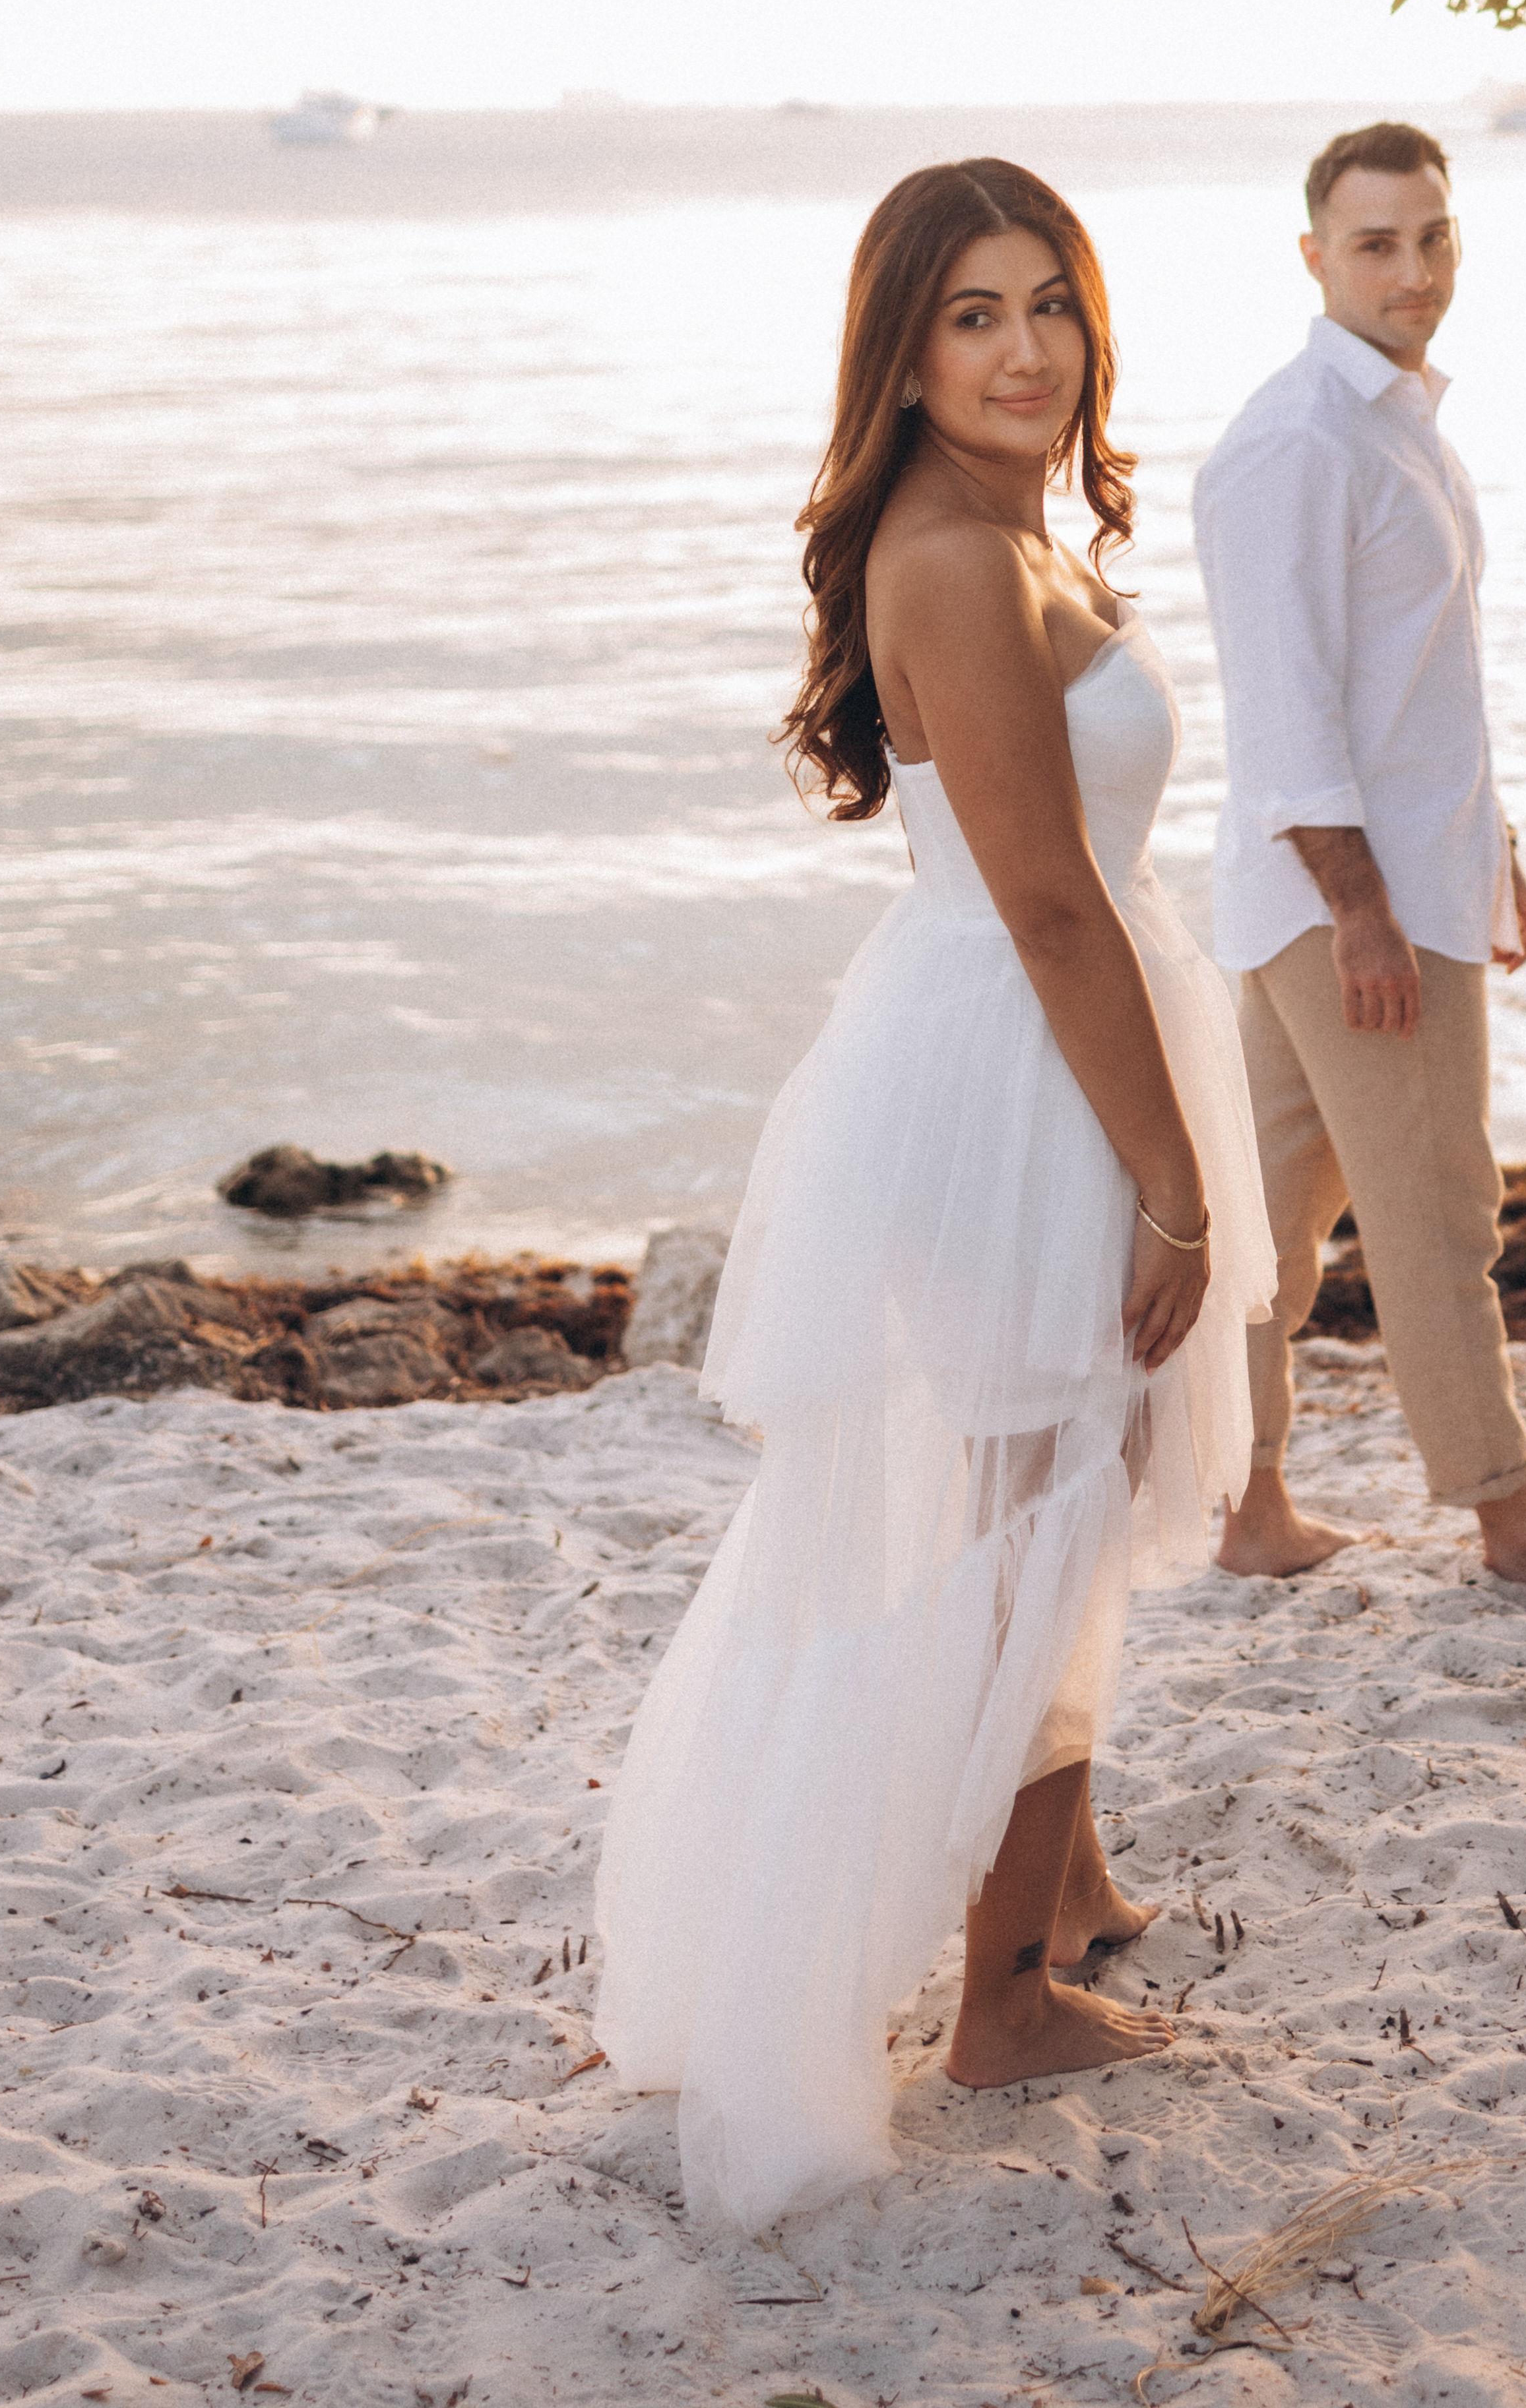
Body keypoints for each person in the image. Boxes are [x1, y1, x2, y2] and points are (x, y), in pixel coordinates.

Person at [593, 159, 1276, 2238]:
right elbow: (1050, 904)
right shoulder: (955, 559)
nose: (1022, 349)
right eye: (972, 315)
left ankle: (1056, 1885)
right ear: (901, 355)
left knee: (1059, 1491)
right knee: (1032, 1521)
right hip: (1018, 1071)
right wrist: (1171, 1184)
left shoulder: (1006, 528)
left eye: (1048, 303)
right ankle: (1001, 2003)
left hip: (1038, 1042)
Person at [1192, 121, 1526, 1587]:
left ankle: (1247, 1506)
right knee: (1437, 1208)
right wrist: (1364, 909)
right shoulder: (1296, 442)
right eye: (1376, 244)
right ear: (1313, 257)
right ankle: (1511, 1513)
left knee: (1273, 1221)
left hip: (1389, 880)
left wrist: (1495, 847)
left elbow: (1419, 684)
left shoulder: (1400, 426)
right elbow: (1285, 704)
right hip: (1355, 904)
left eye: (1433, 237)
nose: (1414, 271)